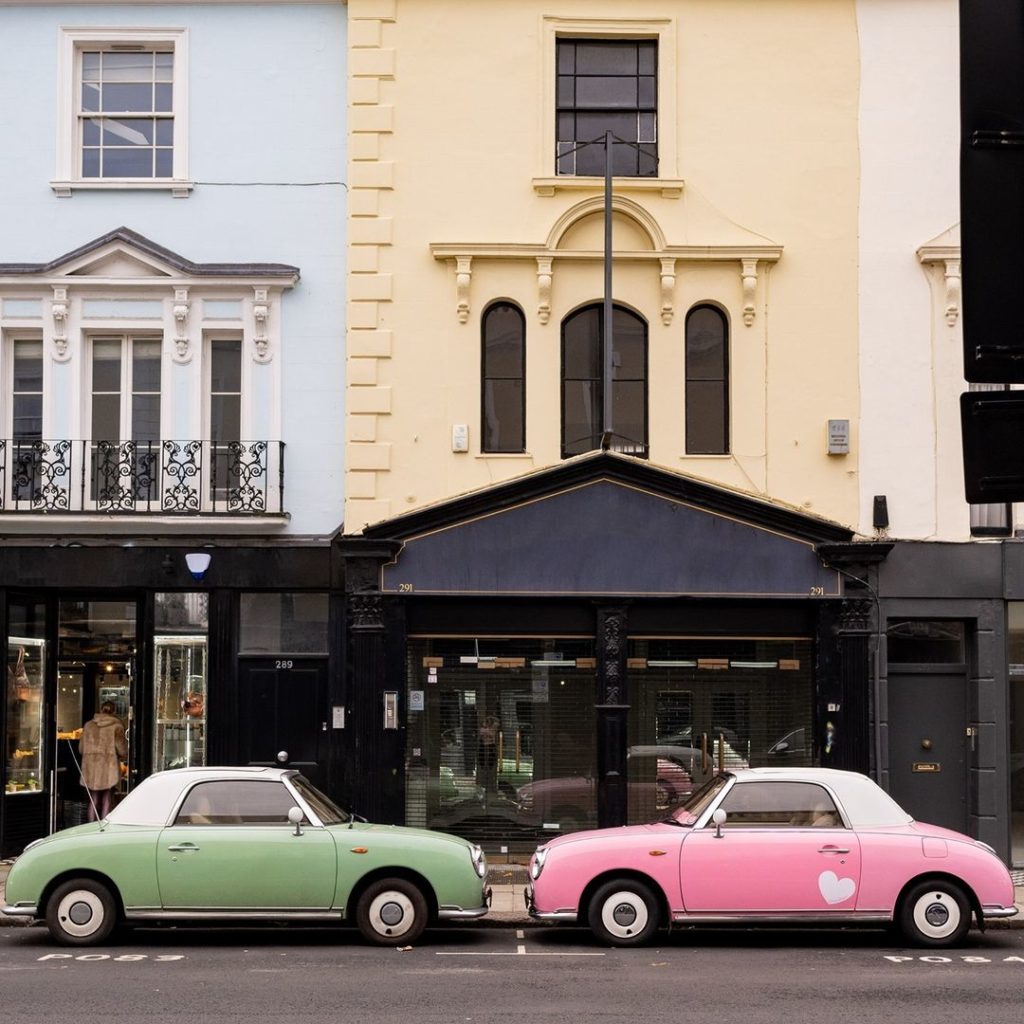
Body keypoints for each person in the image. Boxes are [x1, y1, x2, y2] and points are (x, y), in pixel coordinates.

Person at [79, 701, 127, 821]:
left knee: (93, 799)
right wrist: (124, 756)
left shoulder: (88, 725)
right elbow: (122, 750)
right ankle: (103, 831)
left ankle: (91, 827)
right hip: (108, 769)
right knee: (107, 800)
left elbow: (81, 749)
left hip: (90, 769)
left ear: (101, 709)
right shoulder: (117, 727)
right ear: (114, 711)